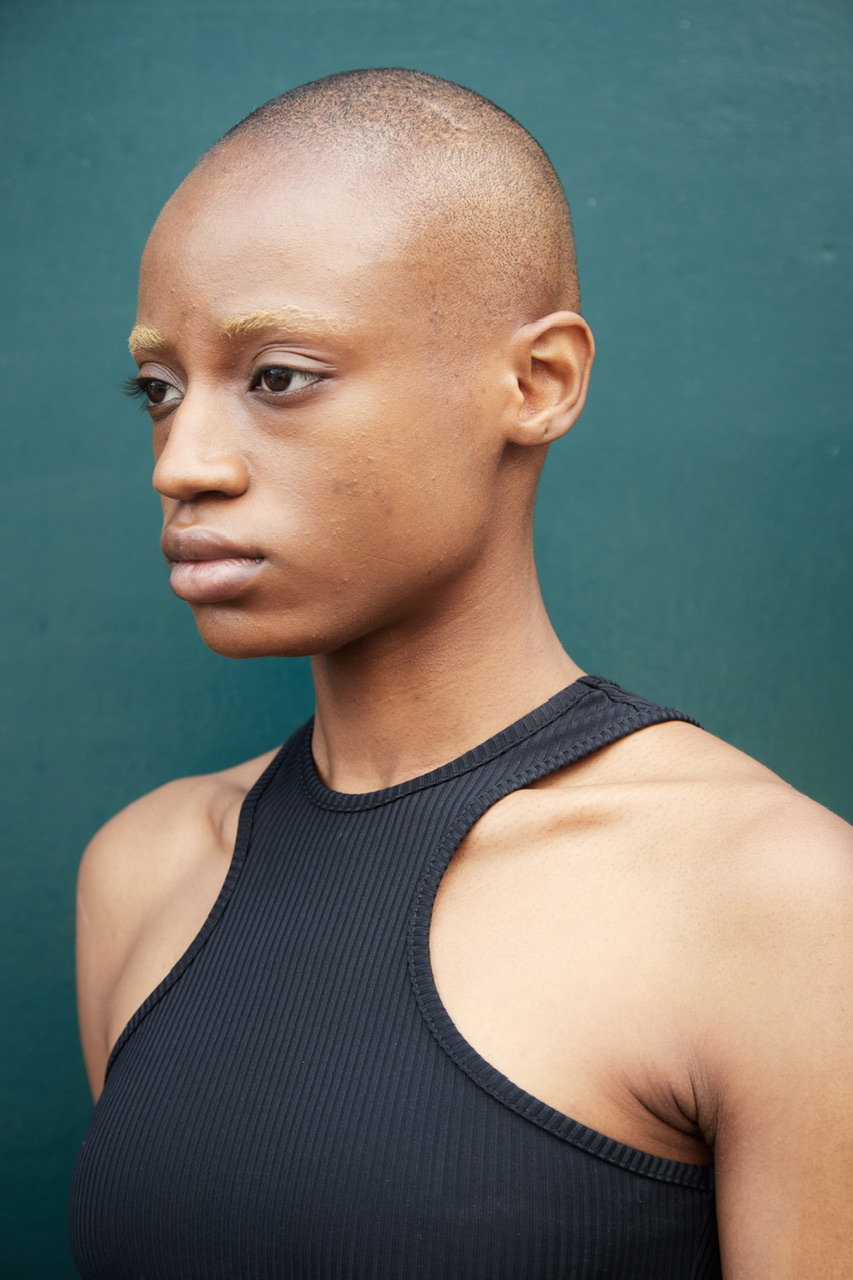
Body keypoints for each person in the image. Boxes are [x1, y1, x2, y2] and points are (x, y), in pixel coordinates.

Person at [69, 69, 852, 1279]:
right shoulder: (146, 872)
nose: (183, 462)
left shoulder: (776, 904)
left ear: (537, 383)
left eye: (277, 376)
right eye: (158, 390)